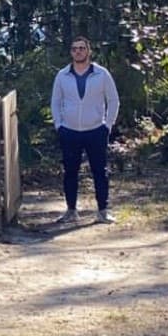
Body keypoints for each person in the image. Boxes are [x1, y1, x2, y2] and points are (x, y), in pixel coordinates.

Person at [50, 36, 120, 224]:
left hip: (96, 130)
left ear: (88, 51)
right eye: (74, 49)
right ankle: (71, 211)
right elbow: (55, 101)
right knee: (70, 172)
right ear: (71, 52)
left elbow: (113, 100)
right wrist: (59, 125)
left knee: (100, 171)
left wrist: (108, 125)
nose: (78, 51)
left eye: (82, 48)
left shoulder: (101, 74)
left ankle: (103, 211)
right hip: (70, 131)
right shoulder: (62, 75)